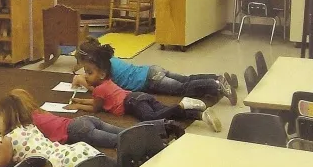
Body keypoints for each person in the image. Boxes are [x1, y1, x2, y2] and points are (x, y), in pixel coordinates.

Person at [65, 44, 223, 132]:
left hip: (142, 90)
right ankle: (200, 112)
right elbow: (98, 98)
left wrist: (77, 105)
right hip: (146, 81)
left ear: (101, 73)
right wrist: (79, 98)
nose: (85, 75)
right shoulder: (107, 67)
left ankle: (186, 102)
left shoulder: (101, 86)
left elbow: (96, 107)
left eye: (88, 72)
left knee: (153, 117)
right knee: (174, 97)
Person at [71, 37, 238, 105]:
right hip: (152, 70)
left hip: (152, 80)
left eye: (88, 70)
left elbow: (104, 91)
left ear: (96, 66)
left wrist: (84, 83)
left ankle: (216, 85)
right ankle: (218, 77)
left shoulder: (105, 71)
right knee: (186, 79)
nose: (87, 73)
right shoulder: (108, 60)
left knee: (182, 89)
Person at [0, 92, 104, 167]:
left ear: (6, 119)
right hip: (61, 150)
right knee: (83, 156)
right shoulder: (29, 126)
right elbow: (8, 150)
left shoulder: (8, 139)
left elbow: (1, 162)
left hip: (50, 162)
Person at [9, 89, 124, 148]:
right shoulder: (40, 112)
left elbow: (16, 134)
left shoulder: (29, 123)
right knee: (121, 132)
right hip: (82, 120)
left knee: (116, 141)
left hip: (75, 130)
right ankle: (139, 133)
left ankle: (137, 143)